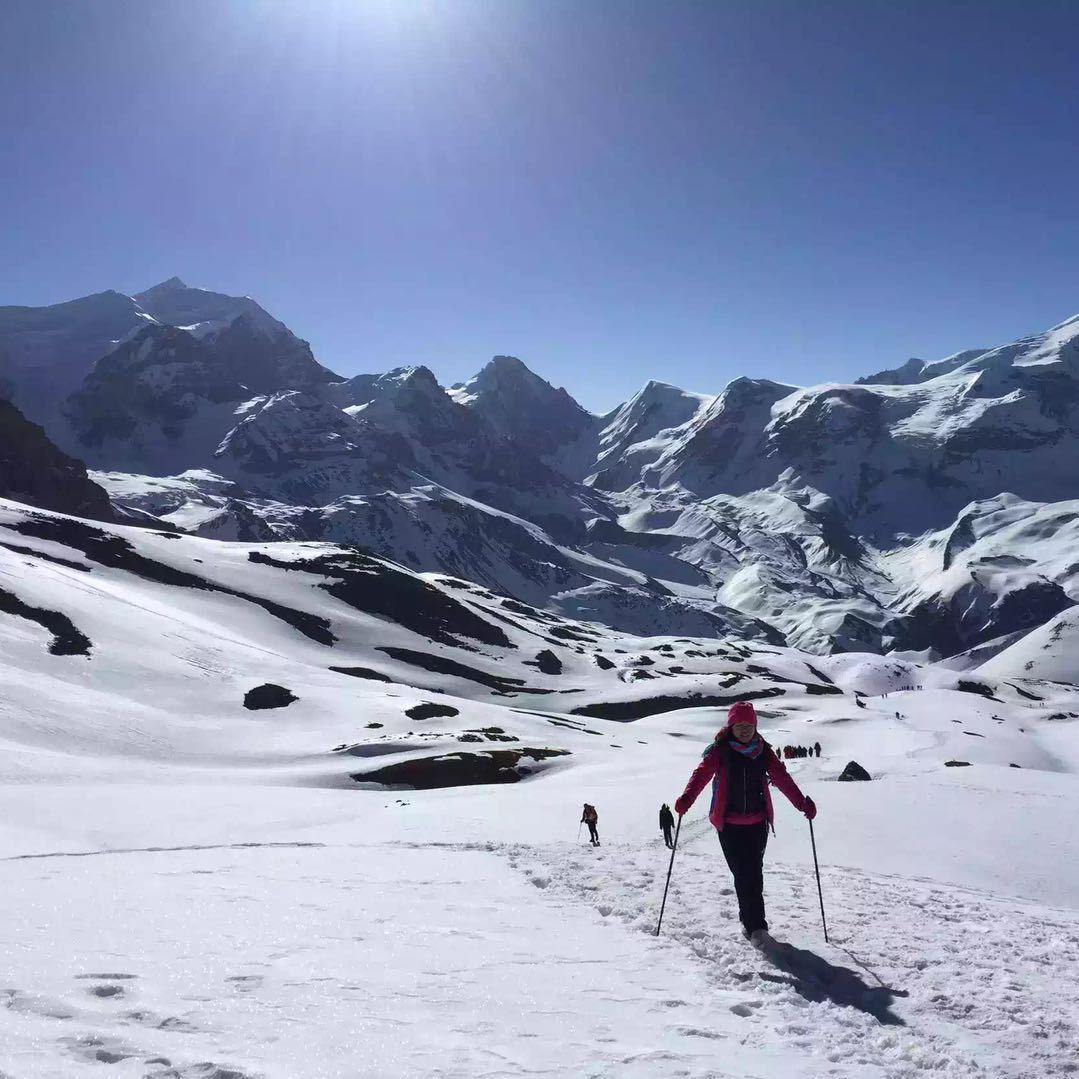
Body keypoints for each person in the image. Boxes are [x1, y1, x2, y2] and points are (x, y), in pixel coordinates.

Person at [673, 701, 816, 945]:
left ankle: (755, 927)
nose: (745, 730)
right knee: (743, 874)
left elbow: (782, 778)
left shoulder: (763, 751)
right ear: (731, 726)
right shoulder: (720, 751)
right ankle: (751, 923)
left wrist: (801, 803)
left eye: (749, 725)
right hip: (729, 824)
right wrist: (687, 798)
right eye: (739, 725)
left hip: (757, 823)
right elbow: (702, 775)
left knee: (751, 873)